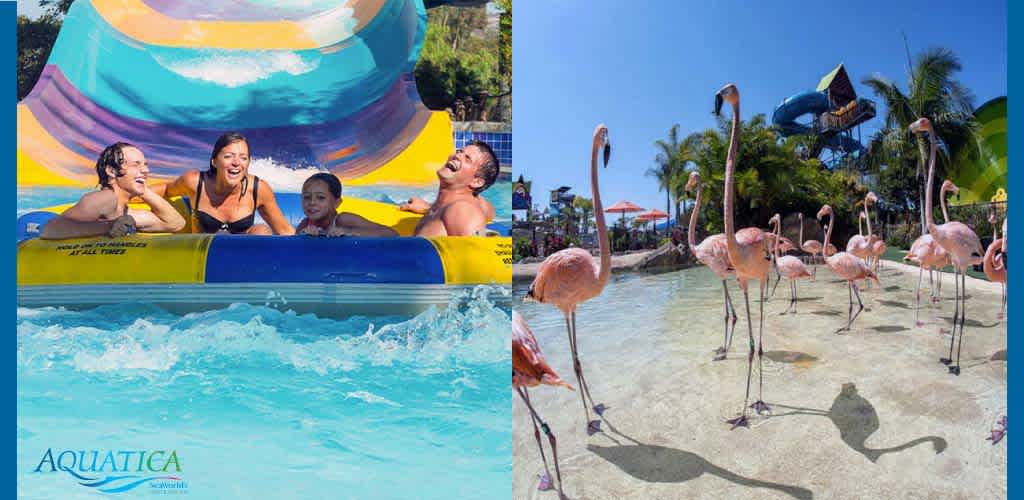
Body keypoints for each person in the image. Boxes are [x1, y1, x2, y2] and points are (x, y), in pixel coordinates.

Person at [341, 140, 499, 237]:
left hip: (430, 288)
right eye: (459, 151)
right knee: (345, 219)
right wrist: (428, 208)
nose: (456, 155)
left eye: (467, 158)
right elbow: (488, 209)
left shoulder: (462, 211)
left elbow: (478, 256)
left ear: (477, 181)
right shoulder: (449, 207)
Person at [153, 132, 293, 235]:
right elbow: (166, 189)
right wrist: (132, 195)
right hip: (202, 257)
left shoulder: (258, 189)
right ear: (214, 161)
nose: (236, 163)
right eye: (228, 156)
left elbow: (285, 230)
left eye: (243, 158)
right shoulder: (196, 182)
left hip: (240, 259)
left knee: (261, 231)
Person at [41, 142, 186, 239]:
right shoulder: (105, 198)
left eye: (145, 165)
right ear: (111, 171)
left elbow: (175, 223)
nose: (146, 170)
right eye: (136, 165)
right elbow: (51, 229)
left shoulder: (123, 212)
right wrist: (108, 226)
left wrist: (143, 190)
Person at [295, 172, 397, 237]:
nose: (312, 202)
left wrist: (347, 231)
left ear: (336, 203)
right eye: (307, 197)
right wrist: (305, 237)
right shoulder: (305, 225)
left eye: (321, 198)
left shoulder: (343, 220)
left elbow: (391, 234)